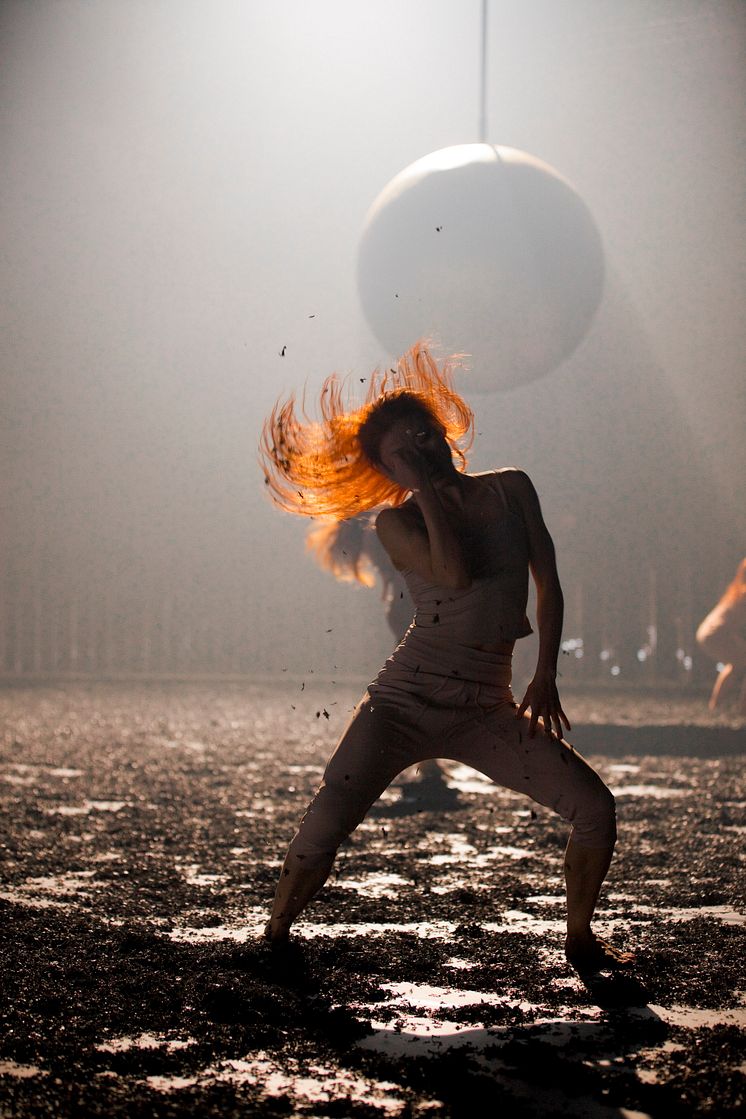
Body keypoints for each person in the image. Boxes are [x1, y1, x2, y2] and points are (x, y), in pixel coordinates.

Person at [259, 342, 633, 970]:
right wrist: (422, 490)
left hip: (486, 706)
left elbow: (550, 581)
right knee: (326, 823)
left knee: (596, 809)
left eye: (424, 435)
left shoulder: (512, 488)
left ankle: (580, 940)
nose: (423, 449)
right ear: (386, 468)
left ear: (443, 430)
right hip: (405, 700)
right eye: (401, 451)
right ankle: (273, 936)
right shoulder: (395, 524)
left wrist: (546, 671)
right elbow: (455, 576)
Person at [306, 514, 458, 803]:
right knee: (417, 688)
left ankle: (423, 764)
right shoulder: (385, 528)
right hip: (414, 610)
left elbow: (399, 574)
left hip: (411, 611)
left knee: (412, 689)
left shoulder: (379, 531)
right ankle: (427, 764)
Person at [696, 558, 746, 714]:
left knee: (736, 664)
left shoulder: (737, 591)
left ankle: (715, 704)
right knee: (740, 663)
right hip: (717, 634)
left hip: (708, 632)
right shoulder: (744, 593)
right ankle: (743, 708)